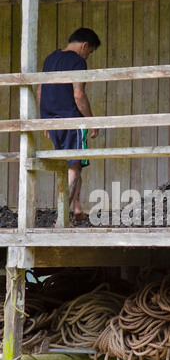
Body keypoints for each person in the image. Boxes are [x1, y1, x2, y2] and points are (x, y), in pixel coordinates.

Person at [37, 27, 101, 226]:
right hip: (72, 120)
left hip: (53, 120)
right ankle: (62, 219)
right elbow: (78, 95)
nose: (87, 57)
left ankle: (77, 210)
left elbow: (40, 89)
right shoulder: (77, 61)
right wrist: (91, 120)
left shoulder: (50, 59)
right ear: (84, 46)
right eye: (89, 52)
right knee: (74, 167)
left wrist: (44, 120)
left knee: (73, 165)